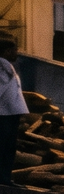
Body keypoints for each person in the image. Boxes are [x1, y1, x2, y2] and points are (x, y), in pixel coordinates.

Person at [0, 36, 26, 185]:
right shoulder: (3, 68)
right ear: (8, 51)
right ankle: (4, 177)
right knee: (5, 146)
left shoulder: (7, 67)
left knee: (7, 146)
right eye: (15, 50)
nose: (17, 52)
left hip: (8, 113)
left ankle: (5, 177)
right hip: (5, 114)